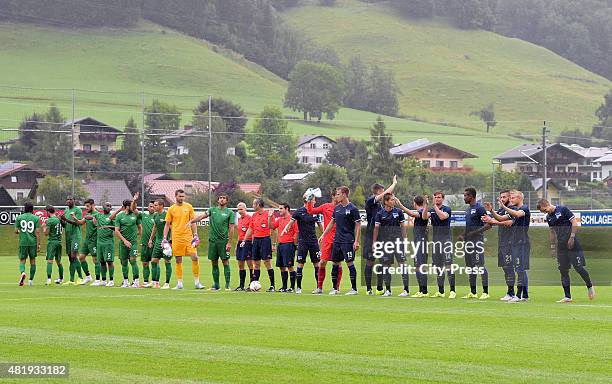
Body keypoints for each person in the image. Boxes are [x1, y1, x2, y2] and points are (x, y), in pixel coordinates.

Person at [537, 199, 595, 302]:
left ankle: (589, 286)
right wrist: (552, 247)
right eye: (543, 212)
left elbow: (574, 223)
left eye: (545, 210)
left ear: (547, 204)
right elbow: (552, 232)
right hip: (561, 247)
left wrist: (572, 237)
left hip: (573, 244)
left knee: (579, 268)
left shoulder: (563, 209)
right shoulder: (548, 217)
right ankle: (567, 296)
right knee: (563, 270)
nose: (545, 212)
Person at [188, 193, 235, 291]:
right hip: (213, 241)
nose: (221, 199)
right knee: (214, 263)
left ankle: (227, 285)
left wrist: (229, 242)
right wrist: (192, 221)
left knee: (225, 262)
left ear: (227, 201)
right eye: (220, 198)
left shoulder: (229, 213)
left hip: (223, 241)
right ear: (218, 200)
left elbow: (231, 229)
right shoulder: (212, 210)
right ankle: (216, 285)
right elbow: (201, 216)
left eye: (224, 198)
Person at [320, 186, 361, 295]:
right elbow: (331, 223)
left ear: (344, 194)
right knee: (335, 263)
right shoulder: (337, 208)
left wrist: (356, 241)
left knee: (349, 263)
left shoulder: (353, 209)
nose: (336, 196)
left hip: (348, 241)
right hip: (337, 241)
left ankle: (354, 289)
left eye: (338, 194)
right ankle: (335, 288)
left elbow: (358, 225)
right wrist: (323, 234)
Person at [163, 189, 204, 290]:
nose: (181, 198)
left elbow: (193, 221)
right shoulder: (171, 209)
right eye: (180, 196)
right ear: (175, 196)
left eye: (183, 196)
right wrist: (164, 238)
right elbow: (167, 224)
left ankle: (197, 282)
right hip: (176, 237)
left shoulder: (189, 207)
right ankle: (179, 283)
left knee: (195, 257)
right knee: (178, 259)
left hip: (188, 237)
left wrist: (195, 235)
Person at [281, 195, 323, 293]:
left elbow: (320, 225)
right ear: (307, 201)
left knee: (317, 264)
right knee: (300, 264)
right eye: (313, 200)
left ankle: (318, 287)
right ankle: (299, 287)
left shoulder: (315, 212)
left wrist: (324, 235)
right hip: (302, 242)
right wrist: (285, 229)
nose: (315, 201)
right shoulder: (299, 212)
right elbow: (290, 223)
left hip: (313, 242)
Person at [363, 176, 397, 295]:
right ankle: (368, 289)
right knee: (370, 261)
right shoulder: (370, 201)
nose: (385, 194)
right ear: (378, 191)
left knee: (384, 262)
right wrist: (394, 183)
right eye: (383, 192)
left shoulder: (383, 207)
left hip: (383, 237)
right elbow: (388, 192)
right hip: (371, 235)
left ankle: (380, 288)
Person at [372, 193, 409, 297]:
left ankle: (406, 290)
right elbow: (376, 229)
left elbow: (403, 227)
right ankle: (388, 290)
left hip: (398, 243)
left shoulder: (398, 212)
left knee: (402, 265)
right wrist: (374, 243)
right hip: (386, 244)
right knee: (386, 266)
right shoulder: (380, 214)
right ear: (386, 201)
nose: (394, 201)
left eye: (394, 199)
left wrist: (405, 240)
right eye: (392, 200)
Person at [307, 190, 343, 294]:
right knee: (322, 262)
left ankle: (336, 287)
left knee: (337, 263)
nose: (338, 197)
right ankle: (319, 287)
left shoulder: (343, 207)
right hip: (327, 239)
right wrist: (309, 201)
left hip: (338, 239)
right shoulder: (325, 206)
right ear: (333, 196)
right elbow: (311, 211)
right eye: (337, 195)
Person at [458, 187, 490, 300]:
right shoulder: (467, 210)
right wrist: (463, 235)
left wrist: (474, 233)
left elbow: (488, 225)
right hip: (468, 243)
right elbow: (469, 227)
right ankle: (473, 292)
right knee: (470, 267)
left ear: (472, 196)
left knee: (480, 266)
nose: (464, 197)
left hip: (477, 242)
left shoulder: (480, 208)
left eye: (466, 195)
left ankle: (485, 292)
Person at [483, 190, 515, 301]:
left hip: (509, 243)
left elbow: (504, 221)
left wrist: (491, 216)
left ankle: (513, 293)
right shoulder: (501, 210)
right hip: (502, 243)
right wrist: (490, 215)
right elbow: (497, 218)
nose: (502, 199)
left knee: (509, 268)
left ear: (510, 198)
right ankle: (509, 292)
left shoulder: (512, 209)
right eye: (501, 197)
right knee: (505, 268)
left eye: (504, 197)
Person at [397, 195, 430, 297]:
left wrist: (400, 205)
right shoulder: (422, 212)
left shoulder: (421, 212)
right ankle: (422, 290)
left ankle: (424, 291)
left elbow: (411, 213)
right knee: (418, 266)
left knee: (420, 266)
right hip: (418, 242)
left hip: (421, 243)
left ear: (414, 202)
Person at [241, 198, 275, 292]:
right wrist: (244, 240)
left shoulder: (269, 214)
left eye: (253, 204)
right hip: (255, 240)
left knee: (267, 262)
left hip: (265, 239)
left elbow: (273, 229)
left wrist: (273, 243)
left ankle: (272, 285)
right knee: (256, 263)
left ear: (258, 205)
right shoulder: (254, 215)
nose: (252, 206)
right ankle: (255, 283)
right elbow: (250, 229)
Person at [428, 191, 455, 298]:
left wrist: (434, 206)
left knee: (448, 265)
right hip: (436, 242)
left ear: (442, 199)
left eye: (439, 197)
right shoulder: (431, 210)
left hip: (446, 241)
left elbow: (443, 217)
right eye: (435, 197)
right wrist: (426, 206)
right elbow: (425, 217)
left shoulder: (447, 209)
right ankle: (441, 291)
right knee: (438, 267)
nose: (437, 199)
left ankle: (452, 291)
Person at [273, 203, 298, 292]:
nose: (279, 210)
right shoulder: (279, 219)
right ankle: (284, 286)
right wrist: (269, 217)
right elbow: (271, 227)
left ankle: (291, 287)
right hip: (281, 244)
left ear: (287, 209)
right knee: (281, 266)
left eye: (281, 208)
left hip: (289, 245)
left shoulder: (292, 220)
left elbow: (296, 232)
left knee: (289, 266)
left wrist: (294, 244)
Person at [14, 202, 41, 286]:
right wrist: (38, 244)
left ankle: (22, 273)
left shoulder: (19, 217)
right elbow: (37, 232)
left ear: (24, 208)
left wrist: (20, 231)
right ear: (32, 209)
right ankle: (31, 280)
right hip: (33, 242)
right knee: (33, 261)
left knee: (22, 261)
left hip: (23, 242)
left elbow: (16, 231)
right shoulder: (36, 218)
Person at [148, 199, 172, 289]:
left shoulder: (166, 214)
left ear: (162, 206)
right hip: (158, 242)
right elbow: (155, 227)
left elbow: (171, 228)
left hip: (166, 243)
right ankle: (154, 282)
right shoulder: (155, 215)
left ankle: (167, 283)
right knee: (154, 260)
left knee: (167, 261)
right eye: (154, 205)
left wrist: (171, 242)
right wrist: (150, 239)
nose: (154, 206)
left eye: (156, 205)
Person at [60, 195, 84, 285]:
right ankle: (72, 280)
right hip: (68, 237)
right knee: (71, 258)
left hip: (75, 236)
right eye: (67, 199)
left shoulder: (78, 210)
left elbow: (78, 223)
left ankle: (81, 277)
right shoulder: (66, 210)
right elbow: (65, 225)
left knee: (74, 256)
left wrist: (65, 219)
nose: (68, 201)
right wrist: (61, 220)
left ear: (74, 200)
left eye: (70, 199)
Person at [75, 198, 98, 285]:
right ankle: (88, 276)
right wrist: (74, 218)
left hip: (94, 240)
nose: (86, 208)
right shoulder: (87, 214)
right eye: (86, 206)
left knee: (95, 260)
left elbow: (98, 224)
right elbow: (81, 222)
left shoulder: (97, 214)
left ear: (92, 205)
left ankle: (98, 279)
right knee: (81, 257)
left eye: (88, 206)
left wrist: (94, 219)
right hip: (87, 240)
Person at [94, 202, 117, 287]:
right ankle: (103, 280)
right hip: (99, 243)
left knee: (109, 261)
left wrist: (109, 227)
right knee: (102, 262)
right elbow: (91, 216)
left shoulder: (113, 218)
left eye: (110, 206)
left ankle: (111, 280)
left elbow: (118, 228)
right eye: (107, 206)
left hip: (108, 243)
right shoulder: (98, 215)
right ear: (103, 207)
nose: (109, 207)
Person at [234, 202, 253, 291]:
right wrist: (237, 244)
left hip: (248, 242)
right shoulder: (239, 219)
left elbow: (251, 231)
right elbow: (240, 233)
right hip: (240, 243)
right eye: (238, 209)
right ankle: (241, 285)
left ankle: (252, 284)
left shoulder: (249, 218)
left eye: (241, 209)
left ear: (245, 209)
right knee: (240, 264)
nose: (240, 211)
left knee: (250, 264)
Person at [43, 205, 64, 285]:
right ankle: (61, 278)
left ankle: (48, 279)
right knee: (59, 261)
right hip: (59, 242)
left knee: (50, 260)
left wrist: (44, 227)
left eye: (46, 211)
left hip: (52, 242)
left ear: (48, 212)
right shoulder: (58, 219)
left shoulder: (50, 220)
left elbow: (46, 233)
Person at [139, 200, 156, 288]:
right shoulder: (143, 216)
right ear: (148, 207)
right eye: (150, 206)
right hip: (145, 244)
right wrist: (134, 200)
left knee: (154, 262)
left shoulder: (157, 216)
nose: (151, 208)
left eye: (153, 206)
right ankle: (146, 281)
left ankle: (155, 282)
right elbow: (134, 210)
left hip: (154, 244)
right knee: (145, 263)